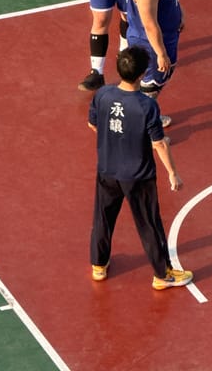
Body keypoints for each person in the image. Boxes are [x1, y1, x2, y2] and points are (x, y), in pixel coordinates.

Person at [88, 45, 193, 289]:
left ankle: (99, 265)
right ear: (142, 73)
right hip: (138, 175)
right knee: (149, 224)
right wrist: (173, 173)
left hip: (107, 169)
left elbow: (93, 124)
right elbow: (159, 144)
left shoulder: (102, 95)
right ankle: (162, 274)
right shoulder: (146, 106)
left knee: (103, 218)